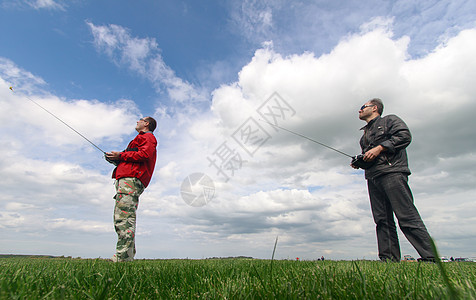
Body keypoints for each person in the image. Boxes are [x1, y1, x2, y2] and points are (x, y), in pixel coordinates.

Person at [351, 98, 435, 262]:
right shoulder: (364, 136)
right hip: (373, 176)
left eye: (363, 107)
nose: (359, 110)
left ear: (374, 108)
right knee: (382, 220)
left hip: (393, 173)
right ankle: (388, 259)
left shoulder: (390, 120)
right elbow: (372, 157)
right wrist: (360, 162)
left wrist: (380, 147)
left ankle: (430, 257)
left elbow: (404, 136)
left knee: (406, 216)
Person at [105, 117, 158, 262]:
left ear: (146, 124)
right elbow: (132, 156)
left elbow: (145, 154)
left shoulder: (148, 137)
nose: (137, 121)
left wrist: (120, 155)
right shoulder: (139, 139)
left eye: (140, 120)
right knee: (122, 217)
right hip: (127, 179)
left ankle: (123, 258)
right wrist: (116, 159)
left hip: (131, 180)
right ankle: (126, 256)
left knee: (125, 218)